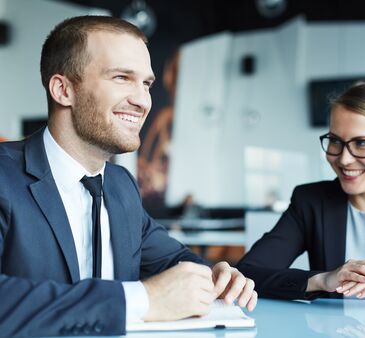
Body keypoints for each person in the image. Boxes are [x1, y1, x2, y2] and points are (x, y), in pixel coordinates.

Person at [0, 16, 257, 337]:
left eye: (147, 83)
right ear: (63, 89)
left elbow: (174, 258)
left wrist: (217, 276)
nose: (142, 100)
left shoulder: (120, 185)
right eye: (122, 77)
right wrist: (144, 299)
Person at [237, 81, 365, 309]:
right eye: (336, 141)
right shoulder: (311, 201)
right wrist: (323, 280)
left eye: (361, 143)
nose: (344, 159)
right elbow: (246, 274)